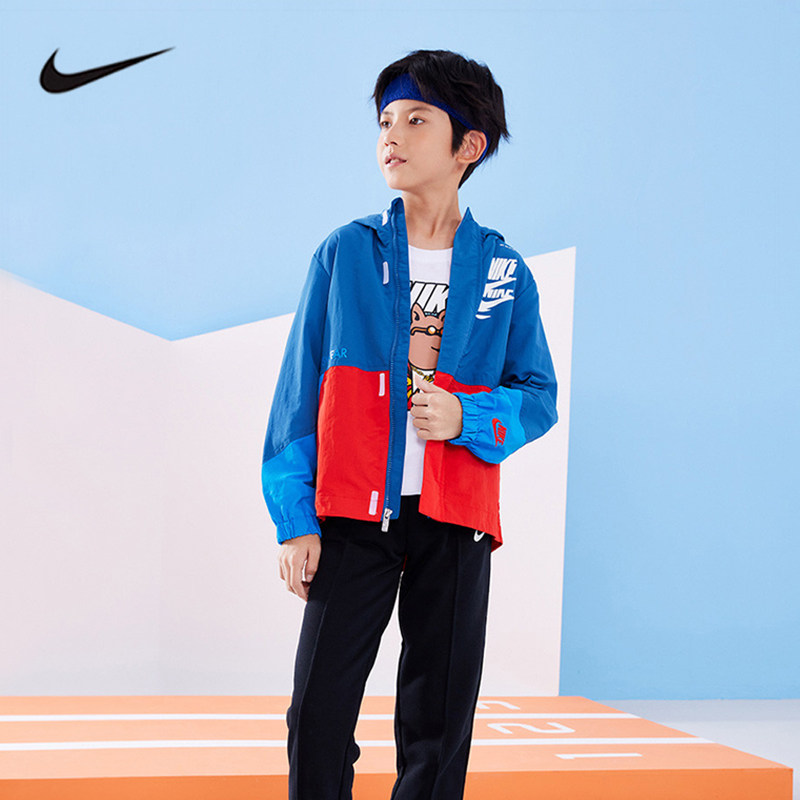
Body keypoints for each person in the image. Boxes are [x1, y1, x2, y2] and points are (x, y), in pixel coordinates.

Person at [261, 48, 559, 800]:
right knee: (318, 713)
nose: (391, 135)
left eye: (416, 120)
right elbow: (298, 396)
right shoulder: (346, 254)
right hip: (353, 517)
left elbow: (538, 396)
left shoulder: (504, 272)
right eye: (385, 120)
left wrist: (467, 415)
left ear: (468, 146)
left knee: (439, 724)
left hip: (456, 520)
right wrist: (296, 520)